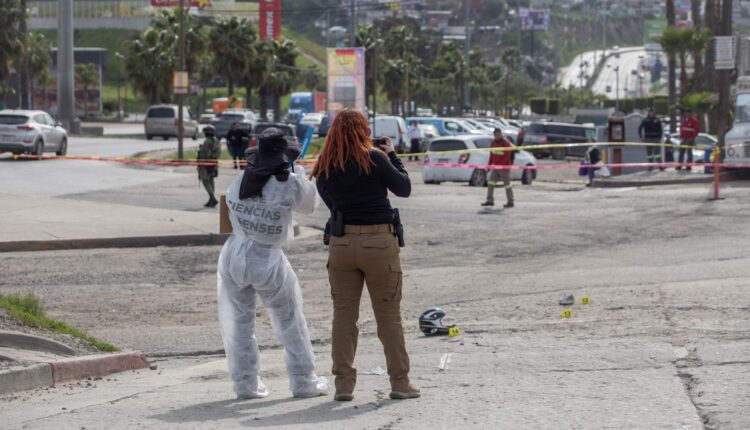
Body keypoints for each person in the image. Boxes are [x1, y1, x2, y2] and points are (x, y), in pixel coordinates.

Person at [311, 109, 420, 402]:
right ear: (363, 130)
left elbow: (332, 203)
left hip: (341, 244)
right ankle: (400, 383)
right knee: (388, 317)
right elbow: (404, 188)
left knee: (344, 317)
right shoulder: (375, 158)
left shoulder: (324, 164)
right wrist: (393, 155)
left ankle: (343, 386)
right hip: (378, 243)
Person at [217, 128, 329, 400]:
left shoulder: (243, 179)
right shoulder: (289, 183)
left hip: (233, 254)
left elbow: (229, 210)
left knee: (239, 325)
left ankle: (245, 385)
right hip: (266, 258)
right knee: (290, 320)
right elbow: (310, 204)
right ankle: (303, 381)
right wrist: (300, 174)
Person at [481, 128, 514, 208]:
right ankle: (490, 200)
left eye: (499, 134)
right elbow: (491, 155)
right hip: (495, 167)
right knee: (491, 183)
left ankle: (510, 201)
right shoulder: (493, 143)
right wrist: (489, 165)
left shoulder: (506, 143)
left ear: (501, 134)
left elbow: (507, 156)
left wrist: (500, 166)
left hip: (504, 167)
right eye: (496, 135)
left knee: (507, 185)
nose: (497, 136)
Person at [197, 125, 221, 208]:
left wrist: (201, 163)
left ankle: (212, 198)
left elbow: (204, 153)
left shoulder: (207, 141)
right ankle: (211, 199)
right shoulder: (217, 140)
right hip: (213, 164)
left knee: (206, 181)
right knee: (211, 180)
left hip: (205, 164)